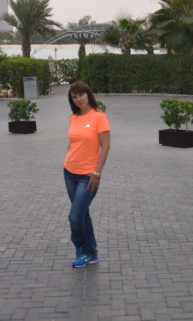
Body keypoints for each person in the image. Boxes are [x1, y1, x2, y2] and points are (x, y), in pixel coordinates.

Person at [63, 80, 110, 268]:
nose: (79, 99)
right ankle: (91, 253)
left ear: (88, 94)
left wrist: (97, 172)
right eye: (74, 97)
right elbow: (73, 142)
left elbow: (106, 147)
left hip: (89, 176)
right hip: (69, 172)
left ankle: (81, 248)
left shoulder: (99, 117)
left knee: (75, 217)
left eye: (81, 95)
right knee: (82, 213)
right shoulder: (73, 118)